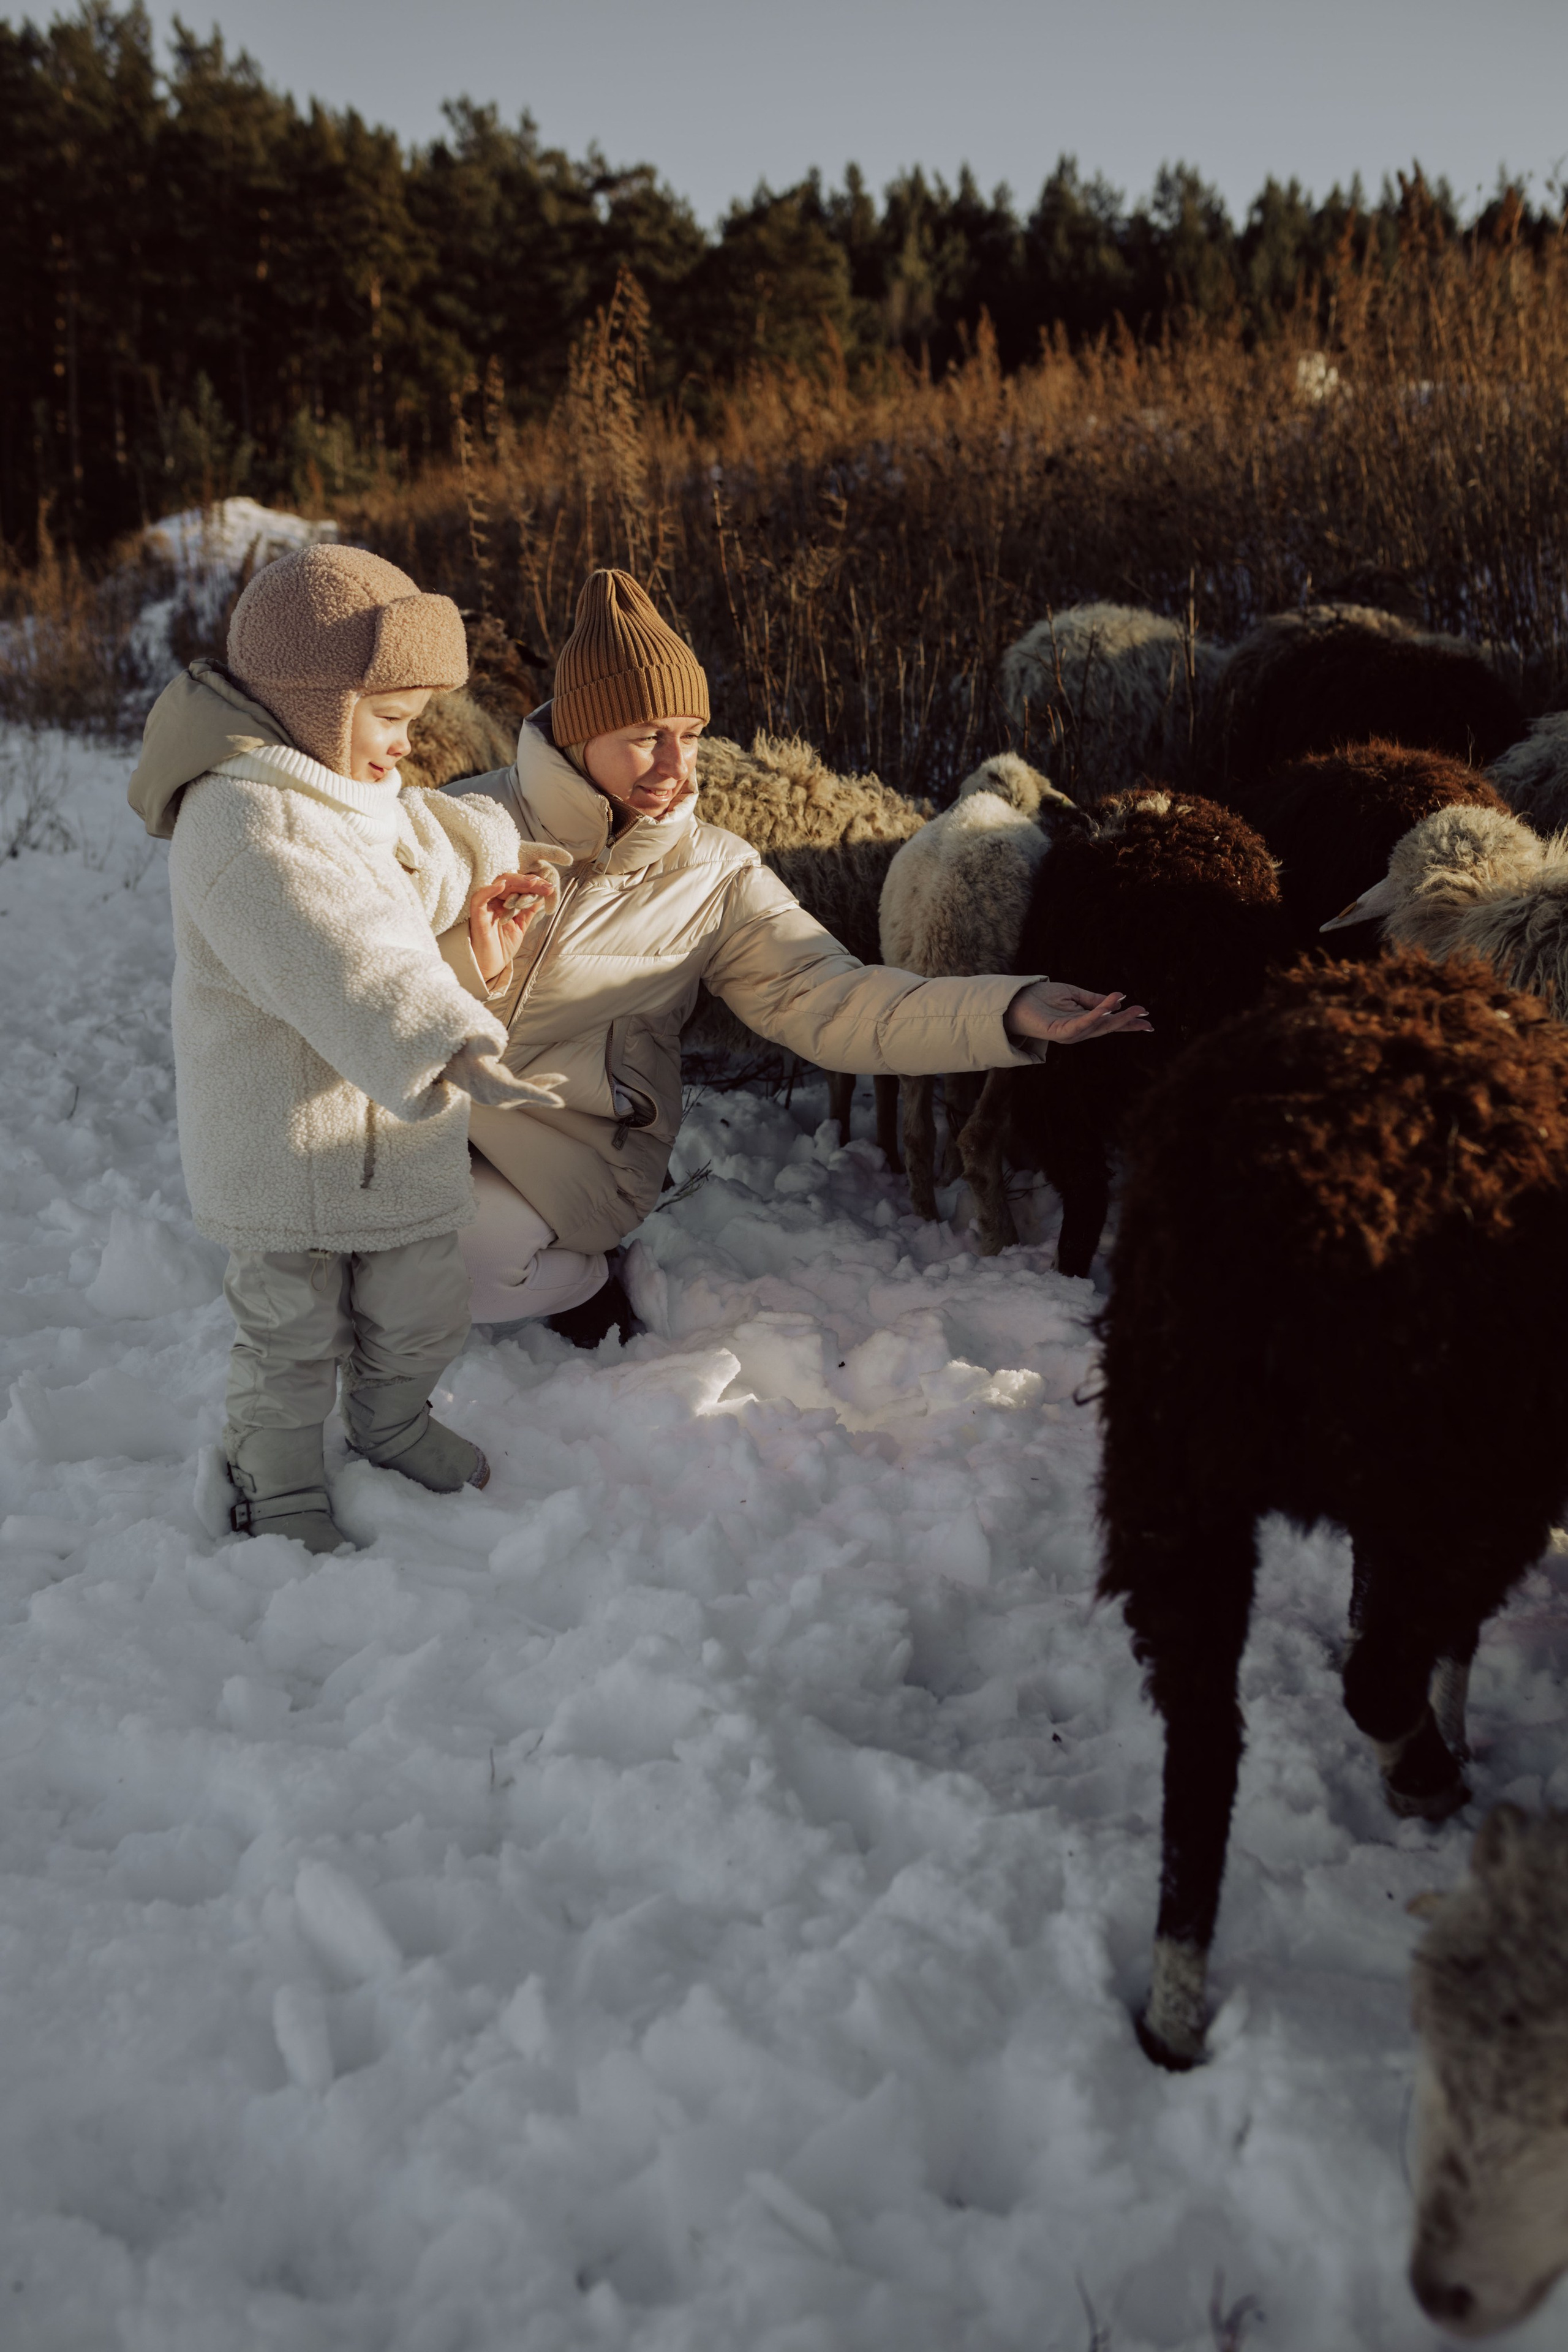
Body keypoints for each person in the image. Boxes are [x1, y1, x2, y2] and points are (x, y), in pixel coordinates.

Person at [450, 568, 1150, 1344]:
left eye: (690, 736)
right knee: (350, 1243)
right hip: (424, 1119)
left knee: (445, 1268)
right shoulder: (461, 822)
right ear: (579, 734)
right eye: (646, 736)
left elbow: (832, 1002)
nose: (676, 766)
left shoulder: (713, 873)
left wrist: (1007, 1010)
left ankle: (585, 1278)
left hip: (571, 1150)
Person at [128, 543, 563, 1553]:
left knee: (420, 1309)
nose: (408, 745)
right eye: (393, 717)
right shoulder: (244, 824)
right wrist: (448, 1037)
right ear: (318, 705)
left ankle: (392, 1420)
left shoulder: (347, 791)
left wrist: (492, 869)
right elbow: (346, 956)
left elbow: (420, 853)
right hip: (287, 1149)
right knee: (291, 1333)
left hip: (391, 1139)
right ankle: (272, 1474)